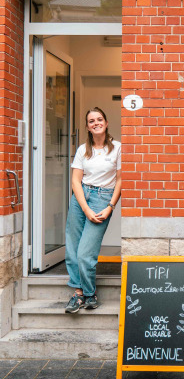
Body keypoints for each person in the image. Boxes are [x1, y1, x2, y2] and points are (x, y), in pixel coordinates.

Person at [64, 107, 121, 313]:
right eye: (91, 121)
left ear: (106, 123)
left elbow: (120, 180)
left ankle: (89, 292)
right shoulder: (82, 150)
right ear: (87, 127)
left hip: (103, 198)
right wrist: (85, 208)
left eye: (99, 119)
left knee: (85, 253)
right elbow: (75, 180)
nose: (95, 123)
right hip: (81, 198)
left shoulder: (117, 148)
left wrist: (110, 206)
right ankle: (79, 294)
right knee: (72, 250)